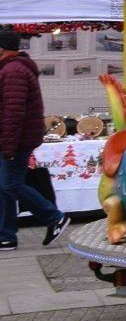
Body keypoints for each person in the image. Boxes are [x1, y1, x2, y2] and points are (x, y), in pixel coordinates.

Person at [0, 27, 70, 251]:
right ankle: (6, 235)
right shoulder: (11, 68)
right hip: (13, 138)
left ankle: (54, 217)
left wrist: (8, 147)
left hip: (14, 139)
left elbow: (13, 112)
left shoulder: (13, 71)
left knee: (10, 184)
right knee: (3, 186)